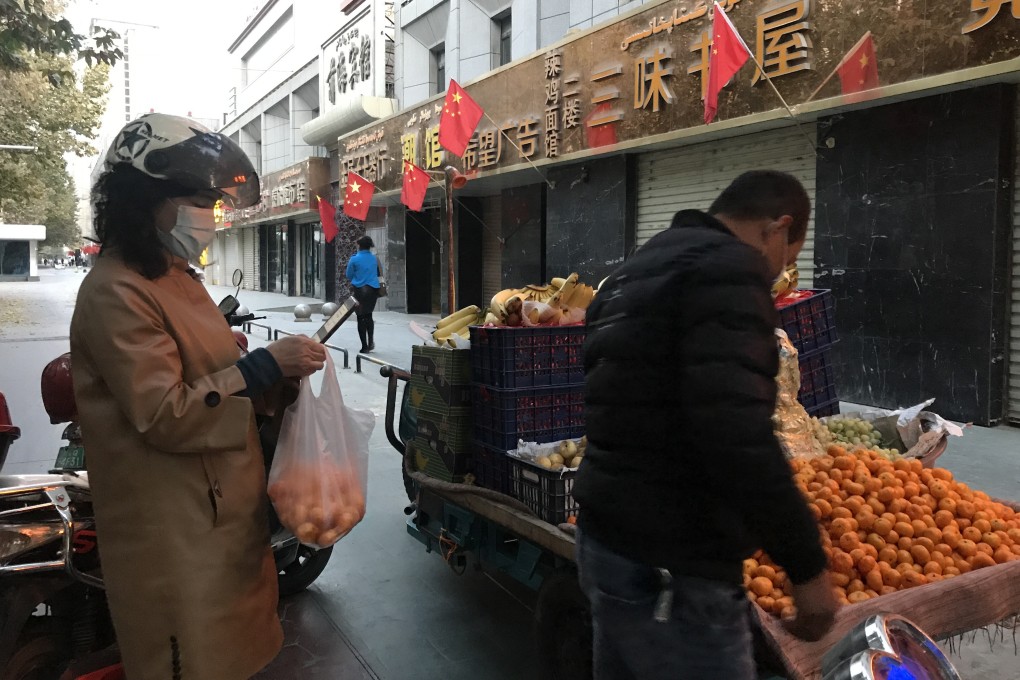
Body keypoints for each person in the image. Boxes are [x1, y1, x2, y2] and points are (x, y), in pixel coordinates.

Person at [69, 113, 328, 680]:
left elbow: (217, 382)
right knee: (190, 662)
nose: (207, 215)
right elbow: (165, 412)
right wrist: (259, 367)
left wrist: (273, 380)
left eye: (211, 201)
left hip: (223, 518)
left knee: (237, 655)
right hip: (174, 534)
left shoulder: (177, 277)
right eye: (195, 199)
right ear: (145, 199)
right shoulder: (116, 289)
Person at [573, 170, 837, 678]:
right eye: (788, 256)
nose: (782, 271)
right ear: (778, 229)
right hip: (674, 562)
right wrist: (805, 563)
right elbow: (735, 433)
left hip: (605, 542)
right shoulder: (730, 270)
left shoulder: (637, 267)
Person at [346, 234, 382, 353]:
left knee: (360, 317)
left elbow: (348, 275)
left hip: (360, 290)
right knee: (369, 315)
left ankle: (364, 346)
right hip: (373, 290)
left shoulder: (354, 259)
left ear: (359, 245)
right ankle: (371, 341)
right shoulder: (374, 258)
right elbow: (378, 273)